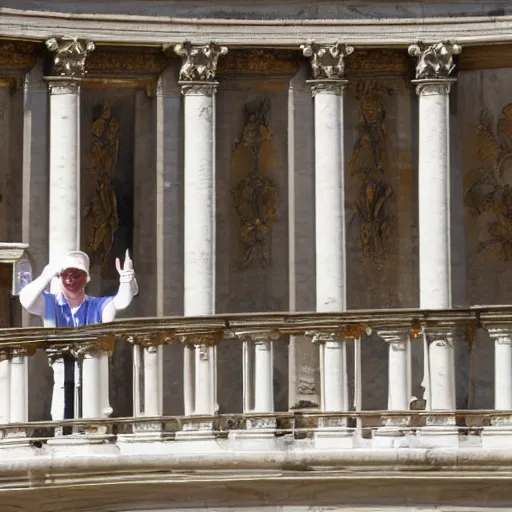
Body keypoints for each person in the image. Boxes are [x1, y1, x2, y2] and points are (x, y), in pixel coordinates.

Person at [19, 249, 138, 327]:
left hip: (93, 363)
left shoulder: (96, 306)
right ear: (59, 277)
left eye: (77, 275)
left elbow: (120, 302)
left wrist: (126, 280)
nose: (70, 280)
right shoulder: (50, 303)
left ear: (87, 278)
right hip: (59, 363)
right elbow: (26, 301)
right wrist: (44, 278)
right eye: (66, 275)